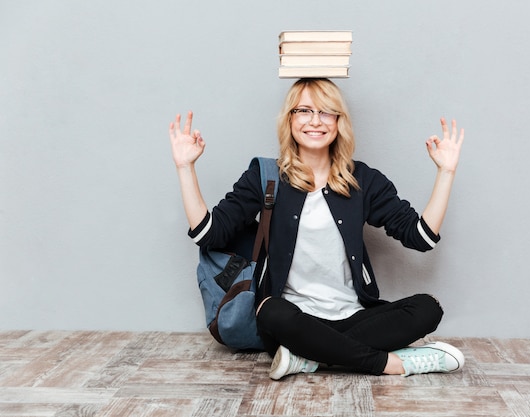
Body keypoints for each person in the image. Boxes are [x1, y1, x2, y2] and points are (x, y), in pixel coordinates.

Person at [169, 78, 465, 380]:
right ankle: (390, 364)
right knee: (271, 311)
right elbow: (209, 234)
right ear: (290, 119)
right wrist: (185, 168)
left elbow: (421, 237)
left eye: (326, 112)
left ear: (339, 121)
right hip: (292, 321)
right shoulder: (266, 176)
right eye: (304, 111)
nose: (315, 121)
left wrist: (446, 172)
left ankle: (309, 357)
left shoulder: (362, 180)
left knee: (428, 309)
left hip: (353, 318)